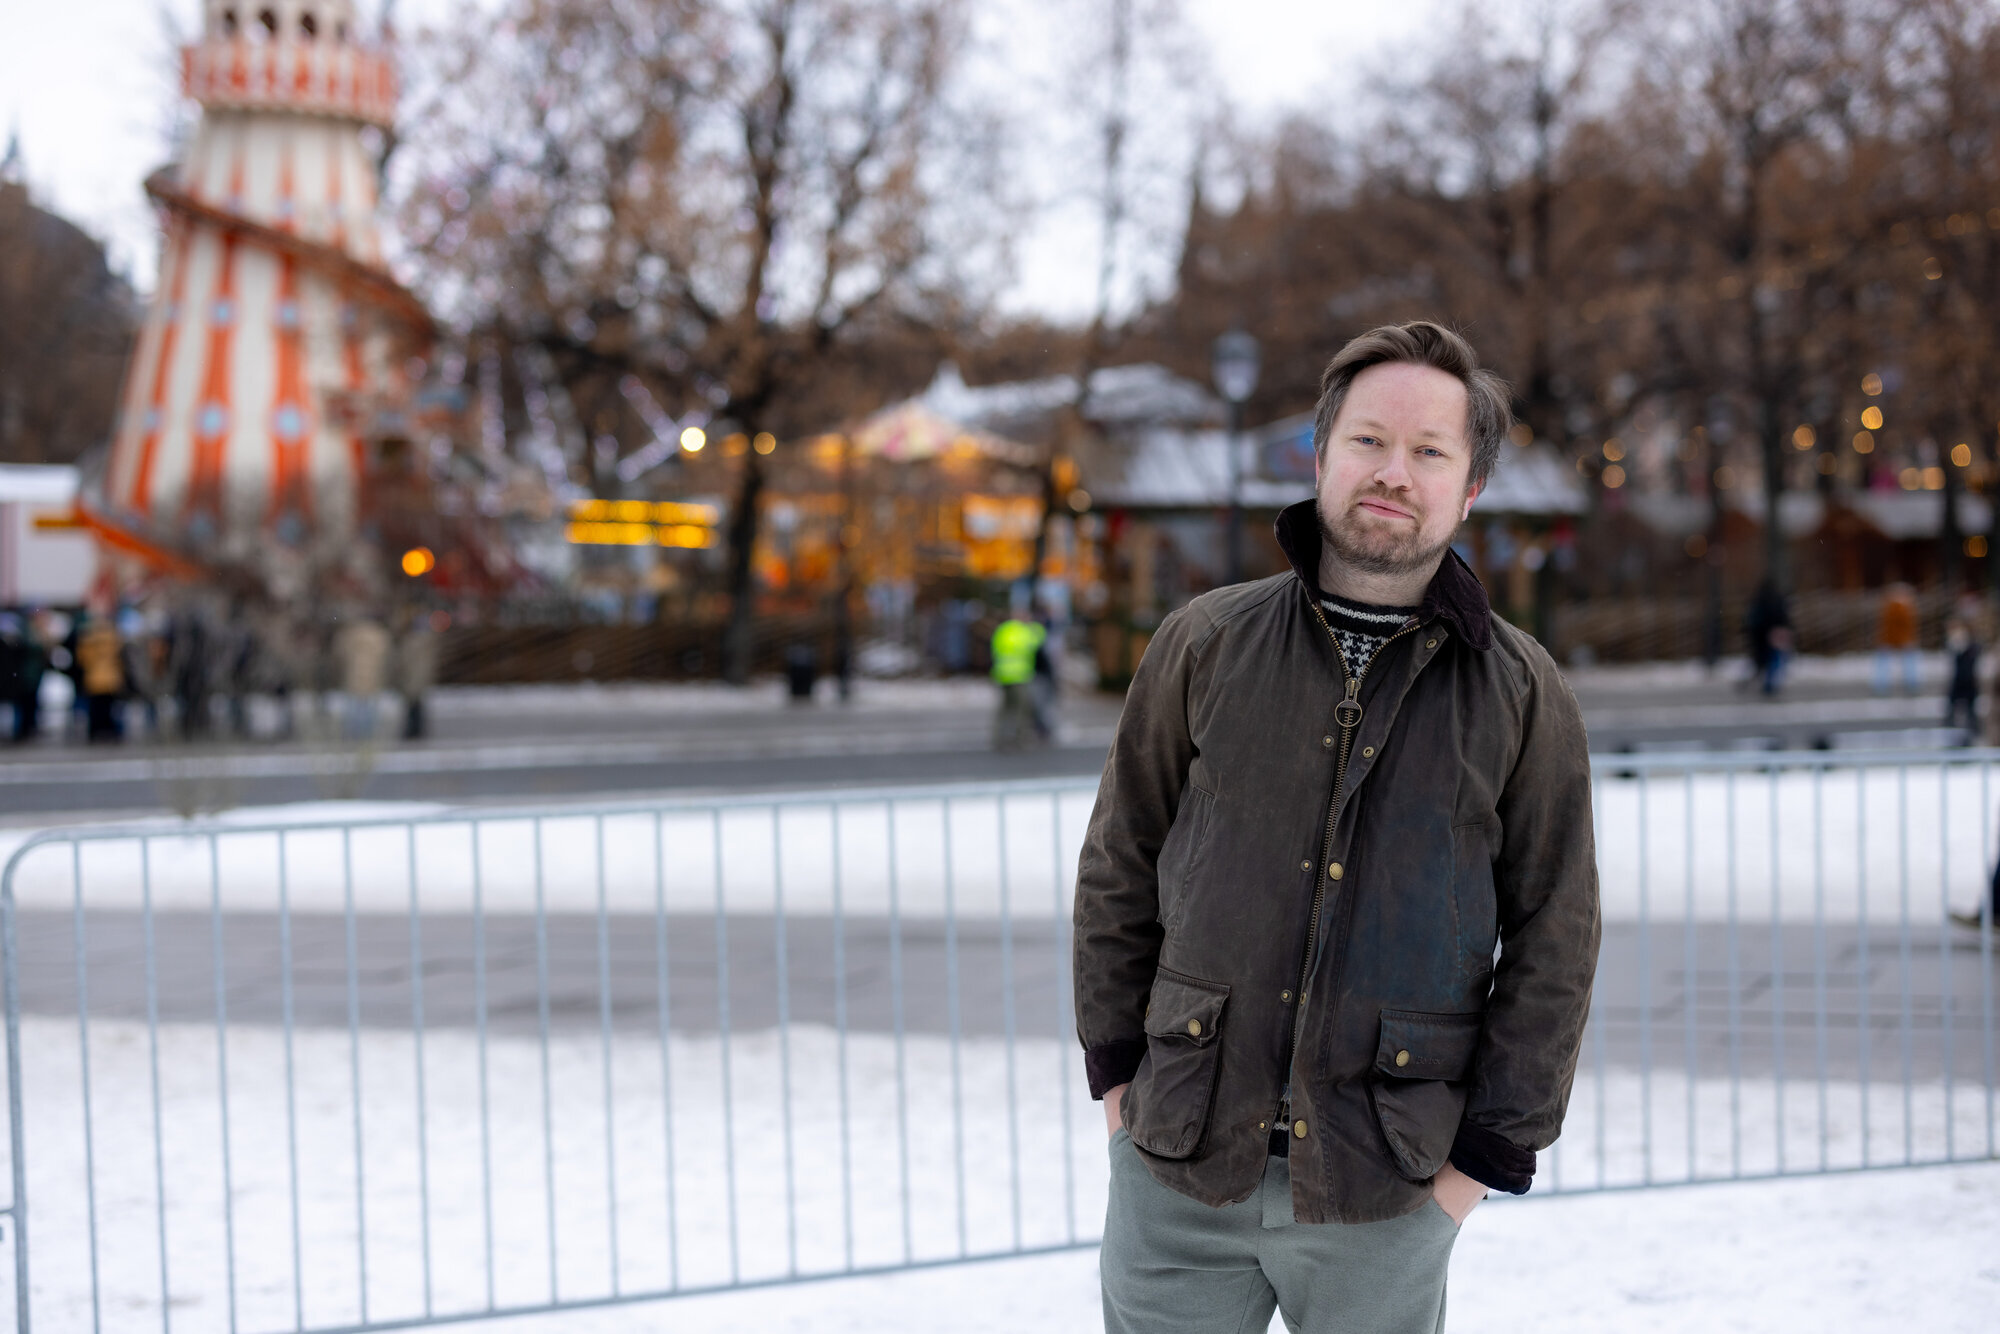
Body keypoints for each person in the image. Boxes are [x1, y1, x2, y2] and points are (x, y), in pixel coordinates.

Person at [1074, 321, 1599, 1334]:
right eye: (1366, 440)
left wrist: (1479, 1161)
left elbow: (1554, 932)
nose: (1391, 471)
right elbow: (1117, 862)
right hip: (1178, 1164)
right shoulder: (1203, 641)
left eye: (1427, 450)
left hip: (1385, 1184)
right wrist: (1117, 1077)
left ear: (1468, 486)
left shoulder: (1523, 691)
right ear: (1319, 456)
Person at [990, 610, 1047, 751]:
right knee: (1022, 709)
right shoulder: (1023, 632)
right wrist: (1034, 626)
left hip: (1002, 674)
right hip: (1019, 676)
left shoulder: (1002, 630)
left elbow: (994, 649)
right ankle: (1019, 738)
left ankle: (998, 737)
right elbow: (1039, 640)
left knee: (1005, 708)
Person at [1743, 579, 1792, 695]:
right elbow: (1783, 617)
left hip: (1763, 635)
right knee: (1773, 660)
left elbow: (1752, 619)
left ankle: (1765, 682)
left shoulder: (1759, 601)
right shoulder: (1777, 601)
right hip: (1774, 633)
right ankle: (1769, 683)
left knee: (1763, 660)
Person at [1874, 582, 1920, 695]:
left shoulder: (1890, 607)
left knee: (1884, 663)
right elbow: (1904, 626)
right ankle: (1911, 685)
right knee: (1909, 662)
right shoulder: (1902, 608)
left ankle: (1881, 687)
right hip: (1901, 639)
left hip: (1889, 639)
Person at [1944, 616, 1980, 739]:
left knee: (1971, 709)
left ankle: (1974, 729)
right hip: (1958, 681)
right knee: (1952, 705)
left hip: (1968, 681)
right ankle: (1949, 727)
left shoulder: (1972, 645)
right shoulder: (1955, 645)